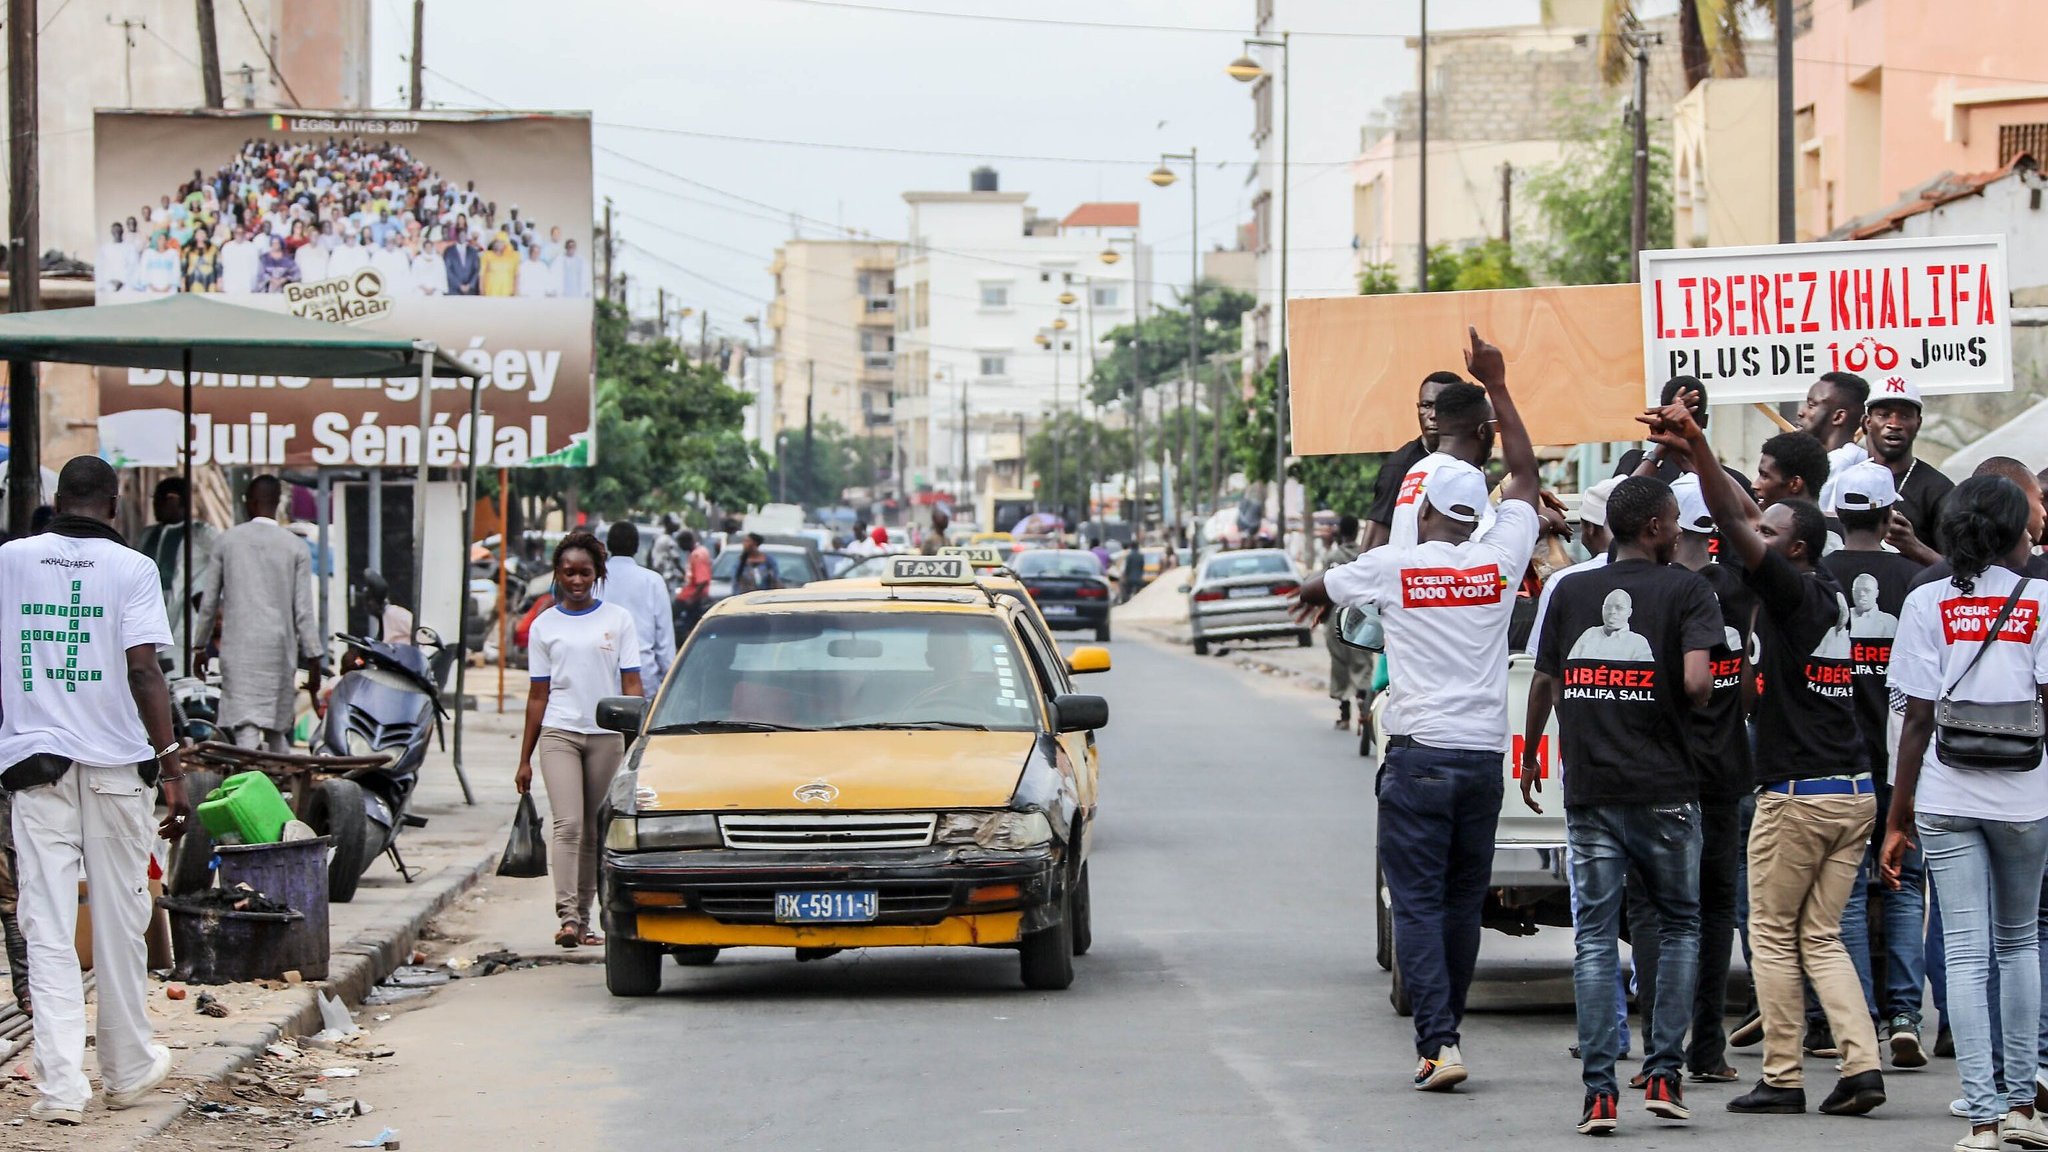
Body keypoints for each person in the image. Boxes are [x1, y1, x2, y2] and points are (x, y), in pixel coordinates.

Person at [1293, 327, 1541, 1094]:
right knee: (1463, 902)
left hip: (1419, 758)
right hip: (1478, 760)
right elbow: (1526, 478)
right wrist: (1499, 383)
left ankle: (1440, 1041)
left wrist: (1309, 598)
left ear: (1424, 504)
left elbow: (1317, 590)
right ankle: (1449, 1030)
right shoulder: (1500, 559)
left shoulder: (1392, 568)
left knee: (1418, 903)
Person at [1641, 395, 1887, 1118]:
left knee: (1775, 937)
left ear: (1799, 548)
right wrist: (1693, 456)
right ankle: (1862, 1063)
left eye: (1771, 533)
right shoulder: (1831, 591)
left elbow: (1735, 522)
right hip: (1852, 791)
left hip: (1801, 796)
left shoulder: (1795, 594)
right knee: (1820, 935)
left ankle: (1782, 1074)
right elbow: (1744, 517)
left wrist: (1697, 450)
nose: (1756, 536)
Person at [0, 456, 189, 1125]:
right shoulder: (132, 569)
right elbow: (144, 671)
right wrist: (172, 768)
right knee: (119, 920)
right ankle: (128, 1067)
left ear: (57, 499)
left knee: (45, 926)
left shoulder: (10, 561)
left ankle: (59, 1090)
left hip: (35, 768)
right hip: (115, 768)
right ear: (114, 504)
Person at [1529, 475, 1718, 1134]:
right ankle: (1665, 1073)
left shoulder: (1569, 590)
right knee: (1679, 926)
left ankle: (1600, 1093)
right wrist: (1683, 699)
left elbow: (1548, 680)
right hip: (1667, 789)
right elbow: (1699, 681)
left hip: (1592, 793)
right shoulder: (1689, 590)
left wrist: (1532, 753)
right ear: (1659, 529)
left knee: (1592, 940)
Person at [1880, 475, 2048, 1152]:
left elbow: (1916, 719)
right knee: (2020, 945)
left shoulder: (1927, 601)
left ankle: (1979, 1117)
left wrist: (1897, 818)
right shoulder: (2041, 599)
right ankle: (2024, 1107)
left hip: (1946, 797)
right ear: (2014, 532)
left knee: (1969, 951)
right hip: (2026, 797)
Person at [1819, 459, 1932, 1066]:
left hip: (1839, 756)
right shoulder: (1920, 579)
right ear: (1892, 515)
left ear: (1837, 512)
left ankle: (1858, 1017)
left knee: (1850, 891)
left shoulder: (1818, 575)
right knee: (1906, 883)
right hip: (1901, 759)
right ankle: (1906, 1013)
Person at [516, 532, 641, 949]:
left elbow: (632, 685)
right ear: (557, 573)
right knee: (567, 824)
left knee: (594, 830)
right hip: (559, 731)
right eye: (568, 572)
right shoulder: (543, 625)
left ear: (598, 574)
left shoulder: (619, 620)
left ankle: (587, 920)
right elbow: (538, 694)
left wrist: (638, 743)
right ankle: (568, 917)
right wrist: (525, 758)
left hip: (606, 736)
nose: (576, 580)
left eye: (584, 572)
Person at [192, 476, 321, 752]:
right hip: (279, 649)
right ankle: (280, 789)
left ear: (250, 502)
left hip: (239, 650)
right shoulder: (296, 546)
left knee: (246, 728)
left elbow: (210, 602)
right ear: (277, 503)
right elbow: (304, 611)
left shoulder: (227, 542)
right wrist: (314, 658)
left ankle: (250, 788)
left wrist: (199, 646)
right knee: (277, 729)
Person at [1360, 373, 1462, 553]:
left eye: (1444, 407)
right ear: (1418, 408)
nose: (1433, 415)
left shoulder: (1468, 460)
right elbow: (1372, 544)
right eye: (1426, 406)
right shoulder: (1401, 467)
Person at [1614, 376, 1757, 499]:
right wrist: (1660, 450)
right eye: (1676, 423)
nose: (1681, 429)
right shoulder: (1633, 463)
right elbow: (1619, 510)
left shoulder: (1732, 482)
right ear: (1705, 422)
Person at [135, 477, 219, 664]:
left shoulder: (200, 534)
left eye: (158, 499)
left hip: (183, 625)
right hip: (146, 619)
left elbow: (227, 560)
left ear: (173, 500)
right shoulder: (147, 535)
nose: (155, 505)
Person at [1864, 377, 1955, 549]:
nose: (1894, 424)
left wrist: (1912, 546)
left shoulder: (1939, 489)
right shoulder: (1849, 479)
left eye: (1904, 416)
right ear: (1868, 422)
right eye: (1884, 415)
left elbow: (1955, 570)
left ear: (1918, 423)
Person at [599, 522, 676, 700]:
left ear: (608, 546)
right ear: (637, 547)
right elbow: (664, 642)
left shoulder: (595, 580)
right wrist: (669, 682)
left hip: (602, 675)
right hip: (644, 677)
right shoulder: (653, 581)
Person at [1320, 515, 1374, 731]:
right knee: (1362, 662)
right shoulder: (1365, 556)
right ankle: (1363, 701)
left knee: (1340, 664)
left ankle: (1344, 715)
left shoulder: (1332, 557)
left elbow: (1324, 588)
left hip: (1336, 617)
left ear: (1339, 532)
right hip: (1364, 616)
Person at [1796, 372, 1872, 511]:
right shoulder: (1864, 459)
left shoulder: (1837, 465)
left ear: (1838, 417)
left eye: (1811, 405)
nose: (1801, 412)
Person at [673, 529, 713, 637]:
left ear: (686, 542)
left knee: (682, 627)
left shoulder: (698, 555)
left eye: (680, 544)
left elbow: (703, 581)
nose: (680, 547)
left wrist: (691, 598)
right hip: (690, 596)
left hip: (693, 598)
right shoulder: (697, 553)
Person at [218, 225, 260, 296]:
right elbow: (223, 265)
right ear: (234, 234)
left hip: (246, 284)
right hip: (230, 283)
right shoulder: (227, 247)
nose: (239, 235)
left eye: (241, 233)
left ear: (245, 233)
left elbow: (255, 267)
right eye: (237, 233)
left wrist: (253, 284)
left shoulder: (252, 247)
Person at [96, 223, 134, 297]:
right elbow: (100, 268)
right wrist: (108, 282)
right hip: (107, 285)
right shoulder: (105, 248)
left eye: (119, 230)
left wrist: (122, 281)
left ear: (122, 231)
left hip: (125, 286)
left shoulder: (130, 248)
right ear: (111, 232)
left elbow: (133, 267)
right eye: (115, 231)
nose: (117, 233)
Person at [480, 233, 519, 298]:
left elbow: (516, 275)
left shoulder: (512, 256)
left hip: (506, 291)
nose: (498, 244)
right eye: (496, 241)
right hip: (490, 291)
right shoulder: (487, 255)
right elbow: (481, 274)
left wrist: (515, 291)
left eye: (501, 242)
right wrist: (481, 289)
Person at [444, 231, 481, 296]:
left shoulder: (473, 251)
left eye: (464, 235)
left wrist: (470, 285)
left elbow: (476, 270)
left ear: (466, 236)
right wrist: (459, 285)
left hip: (470, 290)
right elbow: (447, 270)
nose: (462, 237)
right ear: (456, 236)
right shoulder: (449, 251)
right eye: (460, 235)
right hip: (454, 289)